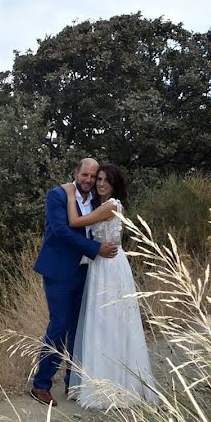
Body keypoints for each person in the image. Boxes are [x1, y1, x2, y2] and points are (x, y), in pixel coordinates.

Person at [62, 164, 157, 408]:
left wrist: (71, 194)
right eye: (99, 179)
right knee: (108, 321)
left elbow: (74, 221)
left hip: (108, 267)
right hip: (108, 264)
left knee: (108, 320)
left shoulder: (110, 206)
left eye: (106, 180)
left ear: (114, 185)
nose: (101, 183)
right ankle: (112, 380)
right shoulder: (111, 206)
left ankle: (112, 384)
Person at [31, 158, 119, 406]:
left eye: (93, 176)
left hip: (85, 272)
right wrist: (95, 248)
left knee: (79, 329)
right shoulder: (57, 195)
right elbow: (61, 231)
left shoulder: (96, 200)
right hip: (59, 271)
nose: (89, 180)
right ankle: (41, 384)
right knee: (59, 326)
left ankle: (73, 382)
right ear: (76, 173)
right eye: (85, 175)